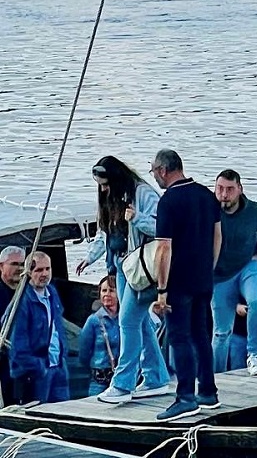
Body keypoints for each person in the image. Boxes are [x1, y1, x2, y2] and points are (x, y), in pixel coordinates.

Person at [88, 157, 172, 405]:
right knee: (141, 322)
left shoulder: (143, 194)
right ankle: (156, 377)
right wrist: (91, 257)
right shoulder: (108, 198)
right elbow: (105, 232)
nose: (103, 189)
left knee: (127, 321)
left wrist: (136, 218)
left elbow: (161, 227)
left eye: (106, 183)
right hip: (120, 267)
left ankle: (123, 383)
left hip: (140, 267)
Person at [151, 149, 223, 421]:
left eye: (154, 172)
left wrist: (161, 290)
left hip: (178, 282)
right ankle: (208, 391)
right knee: (202, 335)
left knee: (179, 338)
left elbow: (163, 249)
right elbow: (218, 236)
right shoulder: (206, 195)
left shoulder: (169, 201)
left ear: (162, 170)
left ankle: (185, 397)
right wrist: (209, 267)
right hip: (204, 278)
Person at [211, 169, 257, 376]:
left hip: (248, 265)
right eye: (220, 189)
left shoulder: (254, 211)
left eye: (229, 189)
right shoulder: (209, 208)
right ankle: (216, 375)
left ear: (239, 189)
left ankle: (254, 354)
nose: (224, 194)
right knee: (222, 333)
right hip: (220, 274)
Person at [3, 251, 70, 404]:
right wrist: (39, 368)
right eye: (38, 270)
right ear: (28, 272)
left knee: (63, 411)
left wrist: (62, 355)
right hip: (36, 373)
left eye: (47, 269)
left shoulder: (52, 292)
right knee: (39, 417)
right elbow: (18, 347)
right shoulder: (22, 302)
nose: (44, 273)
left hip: (58, 367)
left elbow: (58, 326)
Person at [77, 275, 122, 396]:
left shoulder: (124, 319)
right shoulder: (93, 321)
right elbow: (83, 351)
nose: (107, 294)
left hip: (120, 380)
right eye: (104, 290)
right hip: (99, 381)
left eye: (111, 290)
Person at [0, 246, 26, 404]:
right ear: (1, 266)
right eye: (14, 264)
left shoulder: (28, 291)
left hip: (24, 356)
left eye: (22, 264)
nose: (20, 268)